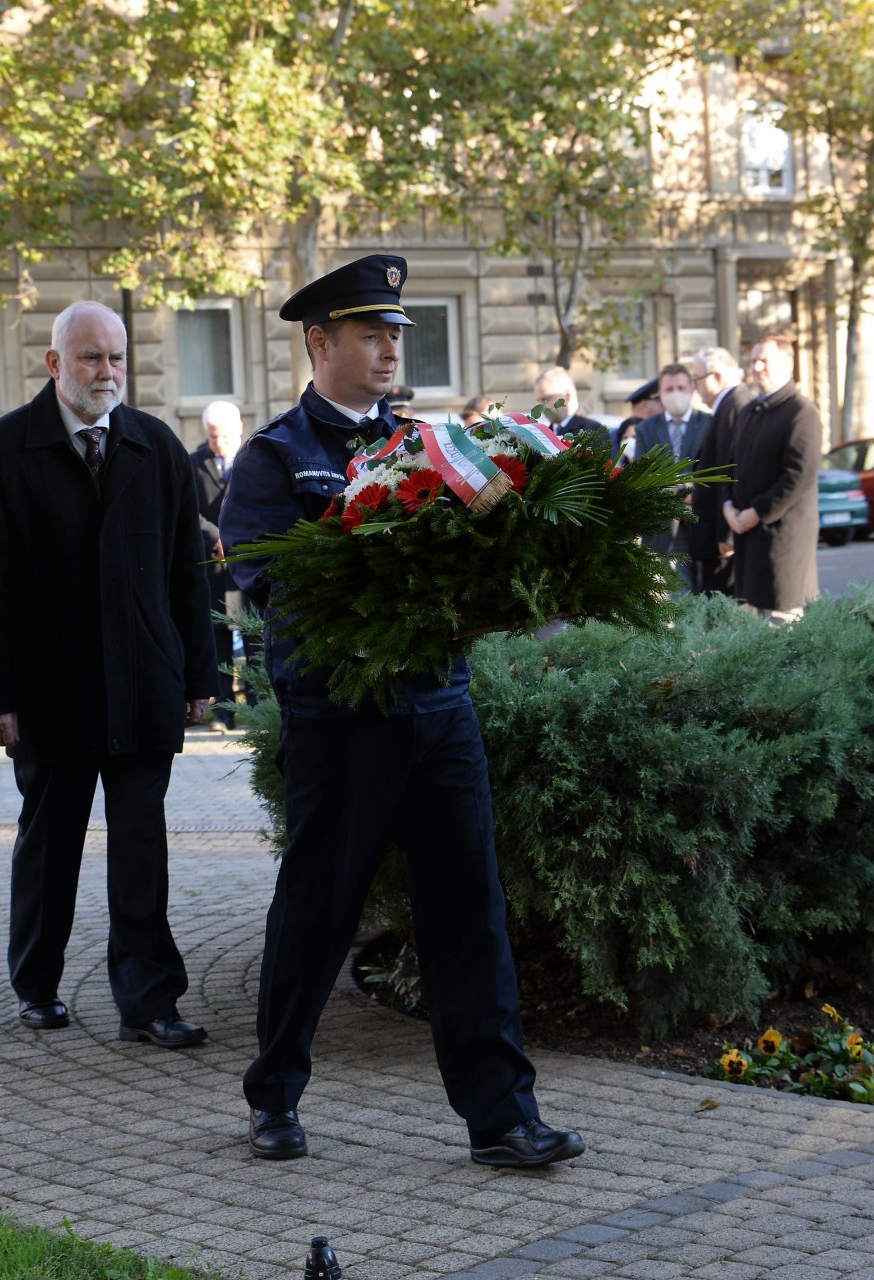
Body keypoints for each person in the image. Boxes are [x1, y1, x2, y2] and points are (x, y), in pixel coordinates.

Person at [219, 253, 585, 1169]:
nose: (389, 348)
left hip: (439, 706)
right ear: (320, 341)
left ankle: (502, 1117)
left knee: (471, 913)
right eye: (371, 332)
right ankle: (274, 1095)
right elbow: (272, 584)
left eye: (395, 334)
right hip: (343, 721)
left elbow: (484, 558)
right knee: (318, 912)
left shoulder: (433, 445)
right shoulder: (274, 460)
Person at [0, 301, 219, 1046]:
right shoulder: (0, 454)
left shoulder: (156, 447)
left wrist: (200, 675)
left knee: (142, 850)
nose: (107, 372)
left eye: (116, 359)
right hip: (49, 694)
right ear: (55, 364)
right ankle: (36, 984)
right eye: (92, 358)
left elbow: (185, 574)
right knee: (51, 845)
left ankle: (150, 1002)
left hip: (143, 687)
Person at [725, 335, 821, 624]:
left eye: (763, 360)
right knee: (753, 634)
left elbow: (798, 475)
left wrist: (756, 513)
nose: (756, 366)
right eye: (753, 360)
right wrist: (728, 506)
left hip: (782, 541)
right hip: (746, 536)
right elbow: (732, 466)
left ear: (787, 365)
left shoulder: (801, 412)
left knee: (782, 630)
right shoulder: (750, 411)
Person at [191, 400, 247, 731]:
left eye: (225, 436)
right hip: (212, 564)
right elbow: (189, 510)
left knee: (253, 634)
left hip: (246, 564)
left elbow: (259, 504)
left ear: (238, 431)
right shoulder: (194, 463)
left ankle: (258, 704)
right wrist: (215, 537)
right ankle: (224, 711)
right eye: (213, 437)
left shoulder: (253, 459)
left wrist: (236, 540)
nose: (219, 443)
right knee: (219, 639)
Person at [635, 364, 712, 589]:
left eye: (680, 387)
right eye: (669, 389)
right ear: (661, 393)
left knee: (711, 593)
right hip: (667, 524)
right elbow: (644, 475)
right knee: (681, 594)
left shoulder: (711, 422)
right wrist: (681, 492)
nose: (675, 393)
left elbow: (721, 468)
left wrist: (696, 495)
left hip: (704, 520)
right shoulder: (646, 429)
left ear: (691, 389)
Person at [687, 349, 748, 598]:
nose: (695, 386)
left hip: (724, 538)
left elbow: (731, 472)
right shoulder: (727, 405)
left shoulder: (736, 405)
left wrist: (727, 534)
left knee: (725, 605)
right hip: (715, 534)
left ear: (718, 376)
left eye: (697, 378)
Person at [531, 366, 601, 439]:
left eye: (546, 399)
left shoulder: (593, 432)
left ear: (567, 395)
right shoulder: (543, 436)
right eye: (539, 401)